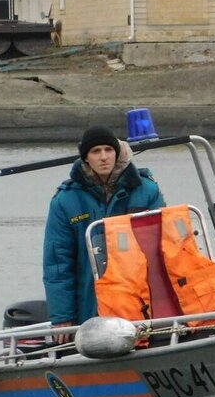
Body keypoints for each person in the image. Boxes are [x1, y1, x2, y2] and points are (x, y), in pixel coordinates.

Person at [42, 125, 165, 339]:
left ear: (117, 152)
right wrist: (62, 317)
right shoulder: (65, 201)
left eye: (108, 150)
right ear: (86, 158)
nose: (104, 157)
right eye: (96, 151)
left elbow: (164, 248)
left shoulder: (147, 191)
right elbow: (58, 264)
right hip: (92, 303)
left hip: (143, 300)